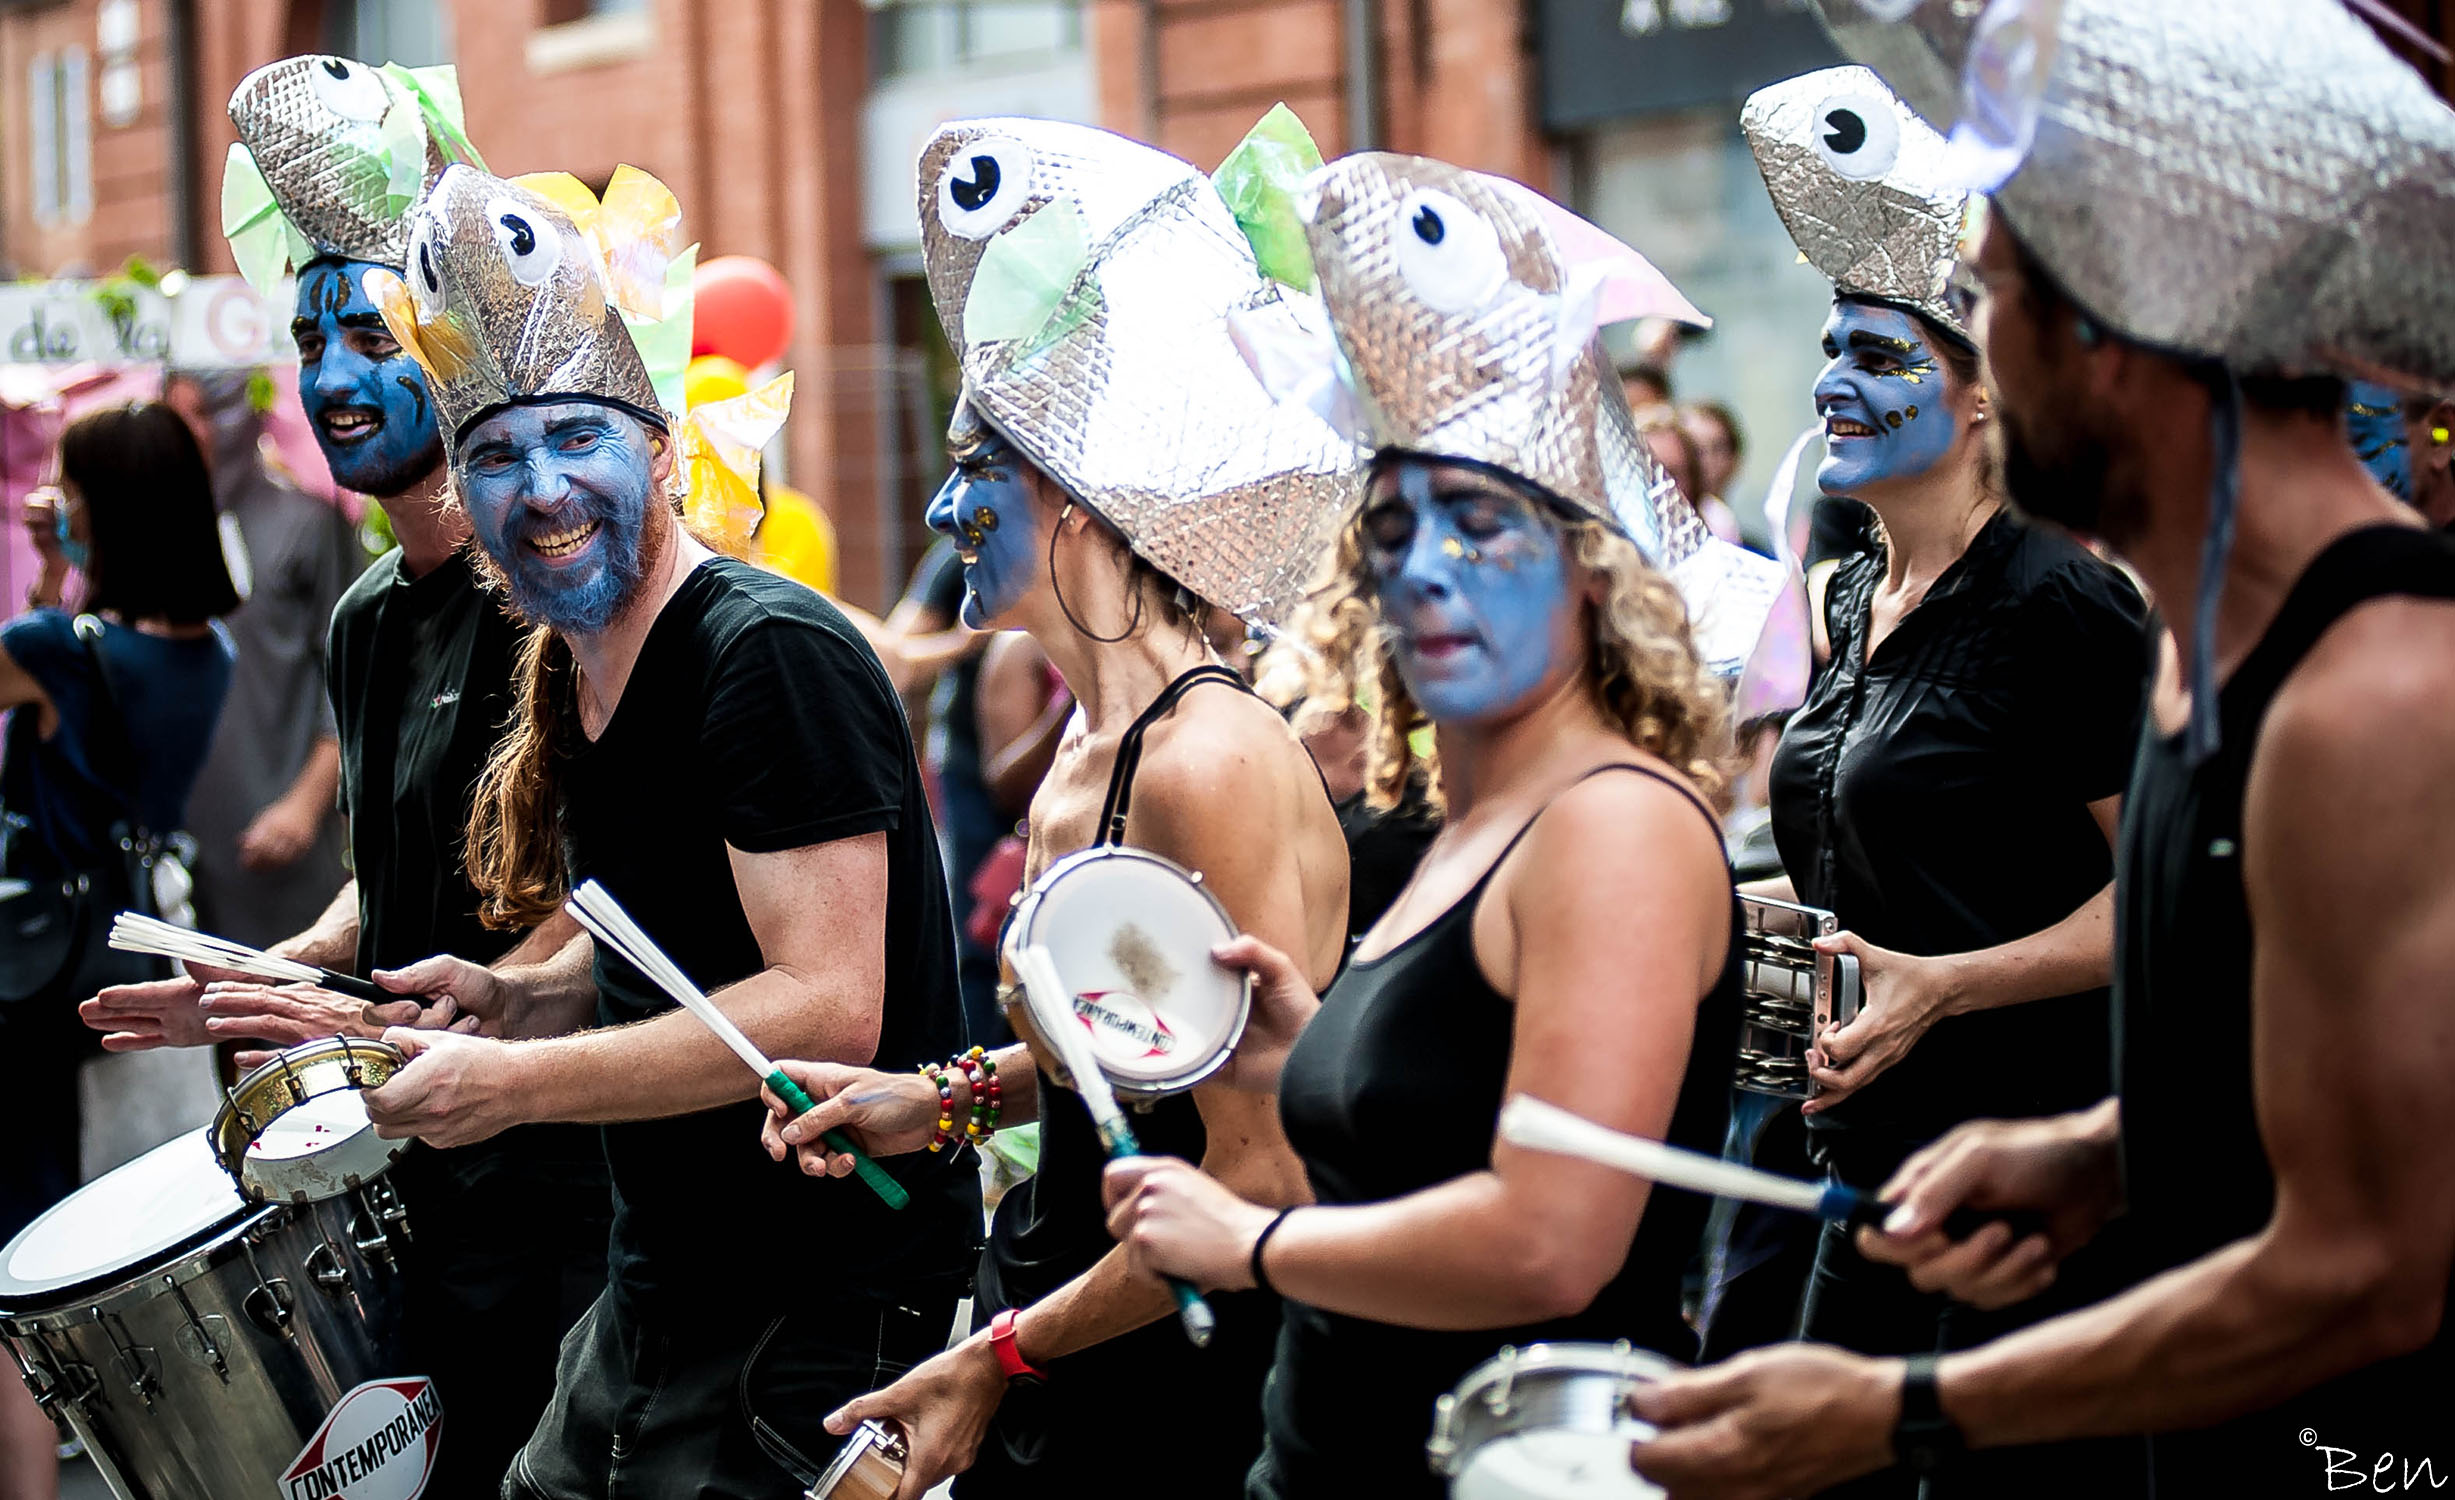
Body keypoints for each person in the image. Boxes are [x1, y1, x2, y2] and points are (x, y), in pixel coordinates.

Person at [1632, 5, 2455, 1494]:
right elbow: (2289, 1076)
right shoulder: (2203, 661)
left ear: (2120, 328)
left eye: (1997, 295)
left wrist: (1899, 1412)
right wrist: (2104, 1151)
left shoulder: (2371, 691)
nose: (1986, 344)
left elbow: (2365, 1268)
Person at [1099, 149, 1780, 1500]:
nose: (1422, 566)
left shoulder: (1611, 829)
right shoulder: (1462, 822)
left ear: (1591, 571)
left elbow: (1551, 1240)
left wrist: (1247, 1244)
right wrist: (1319, 1050)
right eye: (1395, 527)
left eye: (1479, 522)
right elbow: (1458, 1103)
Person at [353, 160, 981, 1498]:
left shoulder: (766, 655)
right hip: (667, 1279)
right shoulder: (580, 666)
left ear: (658, 451)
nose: (541, 491)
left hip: (812, 1299)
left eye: (576, 441)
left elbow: (822, 1008)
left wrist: (510, 1090)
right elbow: (678, 942)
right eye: (498, 456)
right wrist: (512, 1003)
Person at [753, 114, 1356, 1499]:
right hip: (1069, 1331)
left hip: (1183, 1386)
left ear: (1080, 501)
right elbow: (1138, 1055)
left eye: (979, 467)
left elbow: (1257, 1173)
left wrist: (1000, 1356)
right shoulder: (1087, 743)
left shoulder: (1201, 762)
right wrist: (937, 1100)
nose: (944, 504)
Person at [80, 56, 611, 1498]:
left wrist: (502, 1012)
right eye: (305, 342)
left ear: (447, 342)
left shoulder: (555, 601)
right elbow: (402, 860)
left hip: (566, 1195)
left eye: (366, 335)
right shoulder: (368, 616)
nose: (328, 380)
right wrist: (269, 973)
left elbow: (612, 895)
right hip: (406, 1189)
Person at [1705, 67, 2157, 1495]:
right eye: (1829, 345)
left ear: (1976, 404)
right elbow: (1876, 852)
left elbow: (2164, 904)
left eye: (1881, 355)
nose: (1832, 377)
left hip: (2032, 1189)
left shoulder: (2056, 603)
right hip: (1858, 1162)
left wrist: (1942, 983)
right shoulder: (1844, 597)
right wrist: (1765, 932)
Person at [1, 400, 238, 1500]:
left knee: (12, 1249)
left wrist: (48, 568)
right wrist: (69, 566)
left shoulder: (56, 648)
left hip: (32, 970)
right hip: (134, 945)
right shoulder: (208, 655)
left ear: (103, 508)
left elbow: (44, 669)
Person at [162, 369, 359, 953]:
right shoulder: (158, 530)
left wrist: (305, 804)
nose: (186, 434)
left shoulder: (304, 523)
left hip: (282, 834)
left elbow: (347, 675)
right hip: (188, 846)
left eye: (200, 413)